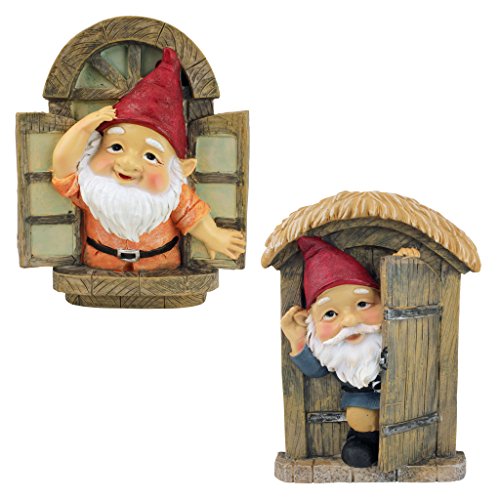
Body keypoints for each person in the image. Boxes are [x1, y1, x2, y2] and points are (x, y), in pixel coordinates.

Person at [51, 48, 244, 271]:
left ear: (180, 169)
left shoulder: (172, 195)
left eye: (151, 156)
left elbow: (194, 216)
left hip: (161, 267)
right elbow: (62, 166)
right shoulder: (93, 191)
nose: (128, 164)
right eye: (116, 147)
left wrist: (214, 236)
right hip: (100, 266)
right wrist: (84, 128)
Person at [280, 236, 383, 468]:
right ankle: (362, 444)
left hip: (405, 406)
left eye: (363, 304)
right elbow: (316, 371)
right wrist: (297, 339)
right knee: (359, 445)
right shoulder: (335, 352)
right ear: (308, 320)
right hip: (361, 408)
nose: (350, 321)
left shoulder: (387, 336)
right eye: (330, 314)